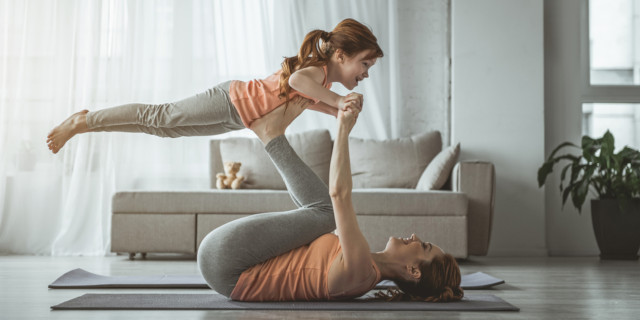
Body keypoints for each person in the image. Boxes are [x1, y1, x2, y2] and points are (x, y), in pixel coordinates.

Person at [197, 99, 464, 302]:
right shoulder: (363, 268)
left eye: (425, 246)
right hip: (226, 262)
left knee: (327, 214)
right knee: (322, 215)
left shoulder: (360, 272)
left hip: (226, 263)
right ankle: (271, 134)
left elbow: (339, 195)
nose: (416, 236)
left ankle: (271, 134)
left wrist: (344, 128)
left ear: (413, 271)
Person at [46, 18, 383, 154]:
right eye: (365, 63)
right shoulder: (316, 71)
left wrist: (335, 113)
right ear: (341, 55)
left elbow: (307, 99)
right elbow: (296, 81)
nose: (366, 73)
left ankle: (90, 124)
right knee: (159, 116)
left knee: (164, 130)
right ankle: (83, 122)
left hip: (238, 118)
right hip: (231, 100)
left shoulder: (321, 80)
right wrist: (339, 102)